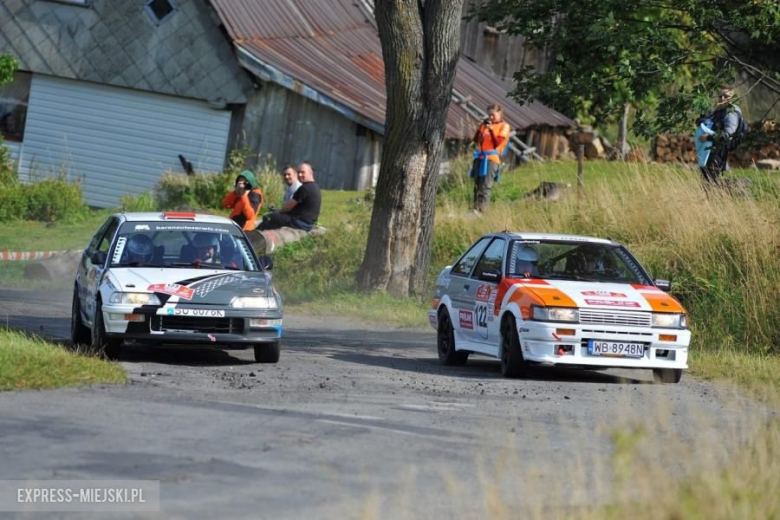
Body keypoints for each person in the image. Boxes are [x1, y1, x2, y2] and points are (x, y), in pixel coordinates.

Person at [470, 104, 511, 213]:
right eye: (489, 115)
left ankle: (483, 210)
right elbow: (475, 141)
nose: (491, 117)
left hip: (492, 158)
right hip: (480, 157)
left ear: (500, 113)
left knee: (486, 185)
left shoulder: (504, 126)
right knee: (477, 185)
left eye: (493, 115)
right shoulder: (486, 125)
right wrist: (480, 127)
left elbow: (497, 143)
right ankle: (475, 209)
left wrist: (491, 130)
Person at [258, 162, 321, 232]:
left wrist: (278, 211)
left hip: (300, 222)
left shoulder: (304, 188)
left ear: (310, 173)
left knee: (270, 217)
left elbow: (287, 207)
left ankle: (256, 236)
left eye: (303, 172)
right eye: (299, 172)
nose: (300, 175)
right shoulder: (315, 187)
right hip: (308, 223)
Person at [698, 86, 743, 183]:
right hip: (712, 150)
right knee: (706, 179)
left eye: (726, 96)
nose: (722, 98)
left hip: (720, 152)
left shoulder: (731, 114)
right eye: (720, 96)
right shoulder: (720, 110)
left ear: (732, 98)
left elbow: (728, 135)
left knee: (710, 179)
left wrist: (708, 137)